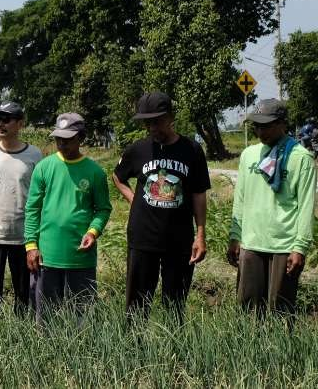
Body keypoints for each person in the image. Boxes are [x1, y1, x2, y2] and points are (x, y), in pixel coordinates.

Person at [112, 92, 210, 321]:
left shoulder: (192, 150)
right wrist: (134, 198)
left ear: (171, 116)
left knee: (175, 305)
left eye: (156, 121)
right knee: (136, 305)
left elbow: (198, 193)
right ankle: (135, 351)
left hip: (179, 240)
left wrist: (201, 234)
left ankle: (173, 351)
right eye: (147, 122)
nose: (152, 127)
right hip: (143, 238)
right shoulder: (138, 150)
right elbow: (117, 176)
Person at [228, 99, 315, 317]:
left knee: (281, 312)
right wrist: (235, 236)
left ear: (283, 124)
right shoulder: (249, 155)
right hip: (251, 242)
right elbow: (241, 199)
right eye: (256, 125)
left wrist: (300, 247)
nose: (259, 131)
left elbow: (306, 206)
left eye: (265, 126)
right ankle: (249, 351)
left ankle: (280, 352)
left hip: (283, 245)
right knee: (247, 310)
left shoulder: (300, 158)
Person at [25, 113, 111, 321]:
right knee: (45, 317)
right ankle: (47, 353)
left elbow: (103, 209)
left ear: (81, 138)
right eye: (58, 139)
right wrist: (31, 246)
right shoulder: (44, 168)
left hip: (81, 257)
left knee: (82, 317)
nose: (62, 143)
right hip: (47, 256)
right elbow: (32, 209)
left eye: (68, 139)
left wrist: (93, 231)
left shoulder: (95, 172)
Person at [0, 102, 42, 315]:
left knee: (25, 295)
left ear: (20, 123)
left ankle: (23, 338)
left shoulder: (34, 155)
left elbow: (40, 196)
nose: (0, 124)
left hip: (23, 237)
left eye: (6, 119)